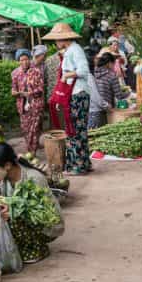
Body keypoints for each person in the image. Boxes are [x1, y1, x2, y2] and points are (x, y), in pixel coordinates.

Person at [43, 22, 93, 175]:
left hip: (78, 94)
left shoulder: (75, 50)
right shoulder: (71, 50)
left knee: (74, 131)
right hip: (77, 94)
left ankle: (77, 166)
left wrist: (67, 75)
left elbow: (84, 70)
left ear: (64, 38)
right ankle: (83, 163)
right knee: (78, 130)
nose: (56, 43)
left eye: (57, 40)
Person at [11, 49, 45, 154]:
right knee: (25, 129)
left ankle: (32, 152)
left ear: (29, 59)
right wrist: (17, 93)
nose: (24, 62)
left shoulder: (37, 71)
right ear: (18, 61)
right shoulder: (15, 73)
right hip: (22, 106)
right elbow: (13, 90)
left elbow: (41, 89)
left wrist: (29, 93)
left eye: (26, 59)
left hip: (35, 104)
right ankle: (31, 148)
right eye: (21, 60)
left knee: (33, 130)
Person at [90, 48, 126, 129]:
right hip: (107, 108)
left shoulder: (93, 73)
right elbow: (119, 95)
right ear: (109, 63)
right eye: (114, 64)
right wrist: (129, 93)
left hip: (93, 109)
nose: (114, 66)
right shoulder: (111, 75)